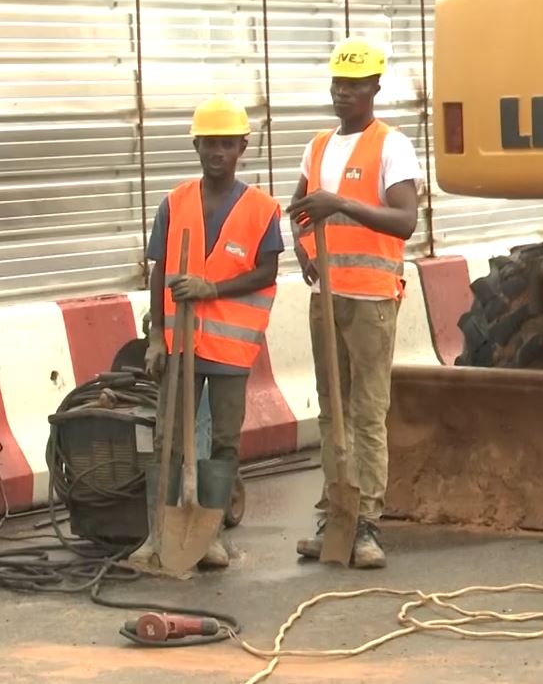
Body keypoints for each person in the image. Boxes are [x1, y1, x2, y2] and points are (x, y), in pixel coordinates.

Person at [129, 94, 284, 571]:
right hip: (179, 346)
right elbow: (157, 272)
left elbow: (265, 271)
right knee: (169, 441)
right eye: (209, 144)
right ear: (196, 147)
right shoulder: (174, 204)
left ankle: (210, 533)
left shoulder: (262, 208)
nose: (217, 152)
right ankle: (162, 534)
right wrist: (156, 336)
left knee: (224, 440)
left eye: (226, 144)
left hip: (231, 350)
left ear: (242, 147)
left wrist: (212, 286)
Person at [286, 37, 424, 569]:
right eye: (338, 84)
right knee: (332, 412)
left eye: (355, 85)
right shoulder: (317, 146)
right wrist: (303, 249)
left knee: (366, 413)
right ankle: (335, 517)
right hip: (327, 297)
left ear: (375, 88)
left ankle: (367, 524)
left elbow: (405, 220)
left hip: (370, 299)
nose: (343, 93)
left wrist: (341, 203)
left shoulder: (392, 145)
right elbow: (299, 208)